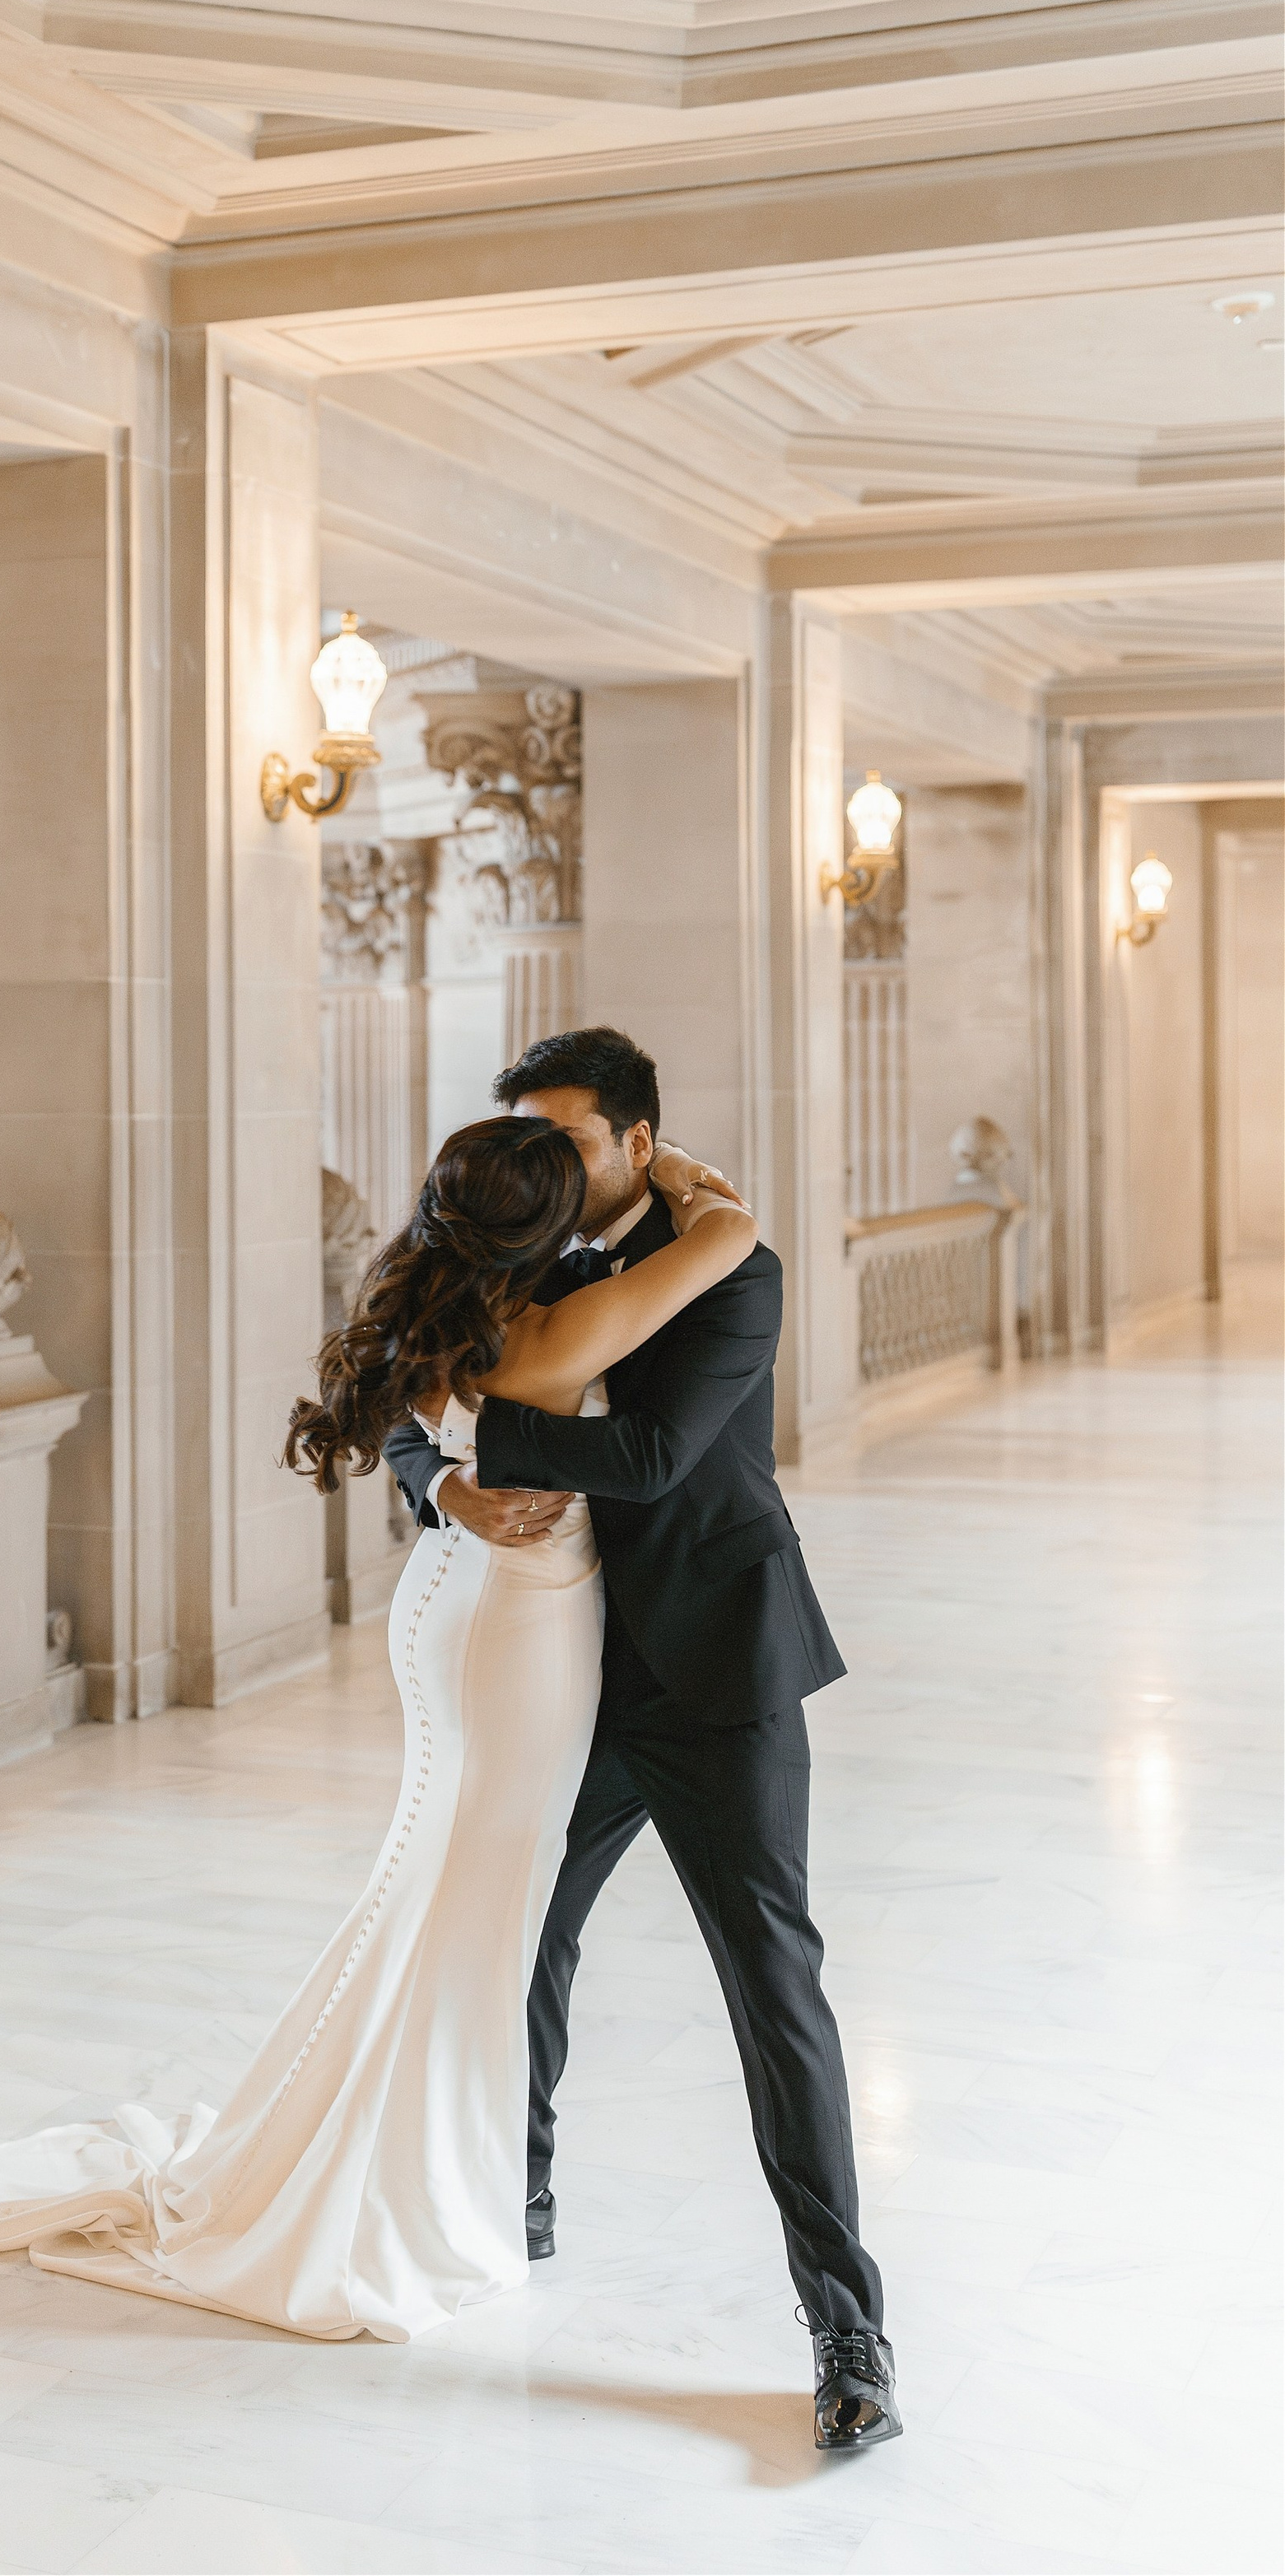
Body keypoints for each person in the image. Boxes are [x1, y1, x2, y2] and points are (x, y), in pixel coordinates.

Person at [0, 1112, 753, 2343]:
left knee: (437, 1887)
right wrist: (668, 1164)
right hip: (517, 1630)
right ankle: (398, 2183)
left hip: (455, 1596)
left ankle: (401, 2153)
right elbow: (730, 1236)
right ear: (548, 1226)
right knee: (479, 1901)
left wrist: (452, 1482)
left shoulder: (432, 1300)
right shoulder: (563, 1327)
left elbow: (417, 1431)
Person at [384, 1026, 899, 2456]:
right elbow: (397, 1395)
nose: (545, 1169)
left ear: (637, 1142)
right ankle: (519, 2199)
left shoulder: (738, 1267)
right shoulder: (515, 1250)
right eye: (527, 1146)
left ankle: (849, 2326)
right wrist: (443, 1485)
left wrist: (486, 1437)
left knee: (771, 1984)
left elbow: (658, 1457)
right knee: (526, 1933)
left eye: (567, 1144)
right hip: (573, 1666)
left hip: (721, 1668)